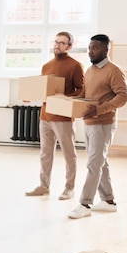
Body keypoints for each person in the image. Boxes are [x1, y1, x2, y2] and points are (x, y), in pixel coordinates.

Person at [68, 34, 127, 219]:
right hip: (89, 123)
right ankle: (109, 201)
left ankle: (85, 204)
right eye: (89, 47)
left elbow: (123, 96)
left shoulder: (114, 71)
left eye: (95, 48)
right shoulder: (90, 70)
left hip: (103, 123)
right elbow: (86, 94)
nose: (90, 51)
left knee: (94, 164)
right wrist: (69, 101)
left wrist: (100, 110)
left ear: (105, 49)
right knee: (100, 162)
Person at [26, 32, 85, 200]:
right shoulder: (46, 66)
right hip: (45, 116)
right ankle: (44, 185)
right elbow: (42, 89)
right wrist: (30, 94)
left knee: (68, 153)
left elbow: (82, 90)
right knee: (45, 153)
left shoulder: (75, 66)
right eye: (56, 42)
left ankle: (69, 187)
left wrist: (66, 98)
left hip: (63, 118)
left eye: (62, 43)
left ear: (69, 47)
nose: (57, 45)